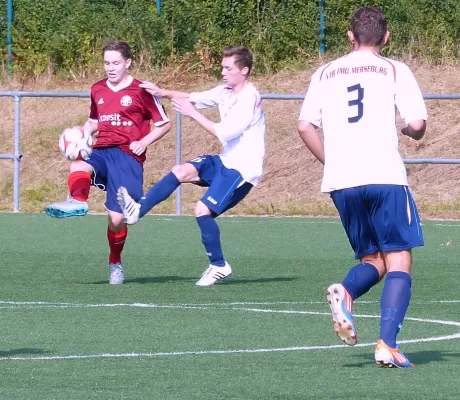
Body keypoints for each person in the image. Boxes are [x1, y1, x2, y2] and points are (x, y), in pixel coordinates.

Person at [297, 7, 427, 368]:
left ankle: (347, 291)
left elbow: (305, 125)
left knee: (374, 258)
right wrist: (409, 132)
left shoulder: (324, 73)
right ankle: (387, 343)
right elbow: (416, 123)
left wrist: (332, 161)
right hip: (383, 174)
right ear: (386, 37)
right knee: (399, 257)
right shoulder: (394, 69)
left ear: (349, 36)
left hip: (342, 180)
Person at [117, 45, 265, 287]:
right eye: (222, 67)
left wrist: (192, 114)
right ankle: (137, 211)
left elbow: (223, 133)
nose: (223, 72)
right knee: (180, 171)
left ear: (244, 70)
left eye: (228, 68)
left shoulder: (249, 98)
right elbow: (193, 97)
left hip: (243, 170)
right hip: (226, 160)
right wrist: (161, 91)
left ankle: (219, 265)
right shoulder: (226, 90)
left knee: (201, 211)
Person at [45, 40, 171, 285]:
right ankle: (78, 202)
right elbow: (94, 121)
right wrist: (82, 135)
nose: (110, 68)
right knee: (79, 163)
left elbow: (164, 124)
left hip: (128, 156)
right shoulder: (97, 89)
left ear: (128, 63)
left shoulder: (142, 90)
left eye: (115, 63)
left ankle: (115, 262)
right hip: (102, 149)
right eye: (106, 63)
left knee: (116, 220)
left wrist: (144, 142)